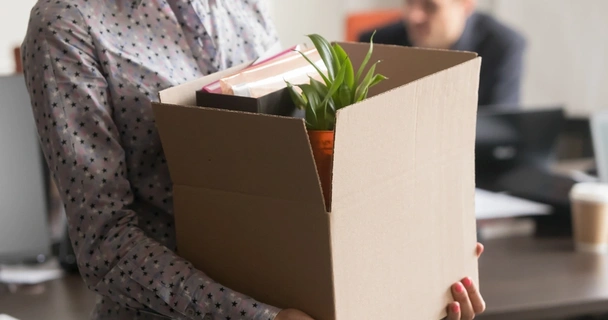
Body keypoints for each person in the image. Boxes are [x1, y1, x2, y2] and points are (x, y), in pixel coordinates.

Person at [20, 0, 486, 319]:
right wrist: (261, 317)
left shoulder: (244, 4)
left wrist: (416, 270)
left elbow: (289, 174)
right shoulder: (67, 21)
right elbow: (106, 246)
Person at [359, 0, 527, 108]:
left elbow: (500, 128)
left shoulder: (503, 45)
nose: (413, 17)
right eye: (409, 2)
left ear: (466, 5)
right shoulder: (377, 42)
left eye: (431, 7)